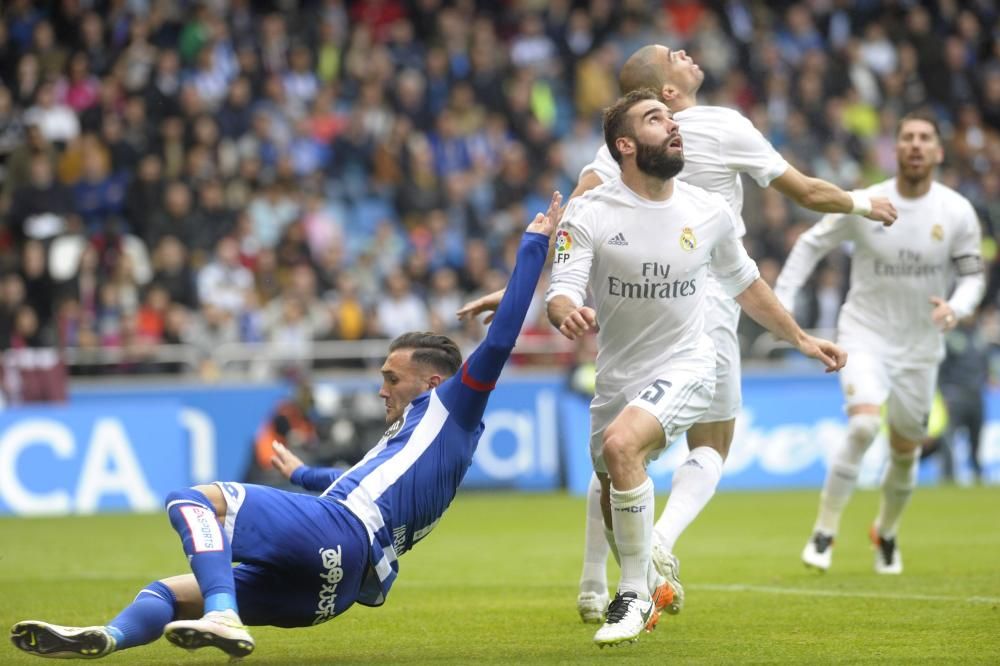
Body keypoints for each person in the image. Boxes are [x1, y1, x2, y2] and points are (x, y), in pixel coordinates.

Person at [8, 193, 563, 660]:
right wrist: (301, 474)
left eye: (392, 378)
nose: (381, 389)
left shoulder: (453, 409)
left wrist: (534, 246)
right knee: (176, 592)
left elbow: (501, 338)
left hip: (338, 533)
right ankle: (108, 636)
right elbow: (355, 484)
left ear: (436, 381)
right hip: (335, 590)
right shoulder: (423, 439)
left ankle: (224, 616)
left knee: (193, 501)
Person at [458, 44, 896, 625]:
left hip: (695, 304)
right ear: (664, 92)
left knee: (621, 449)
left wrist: (523, 284)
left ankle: (610, 582)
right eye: (675, 55)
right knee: (690, 447)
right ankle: (646, 552)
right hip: (685, 313)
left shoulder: (630, 152)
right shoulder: (719, 122)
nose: (687, 54)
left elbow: (574, 211)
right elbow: (808, 193)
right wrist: (866, 202)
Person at [545, 89, 846, 647]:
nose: (673, 126)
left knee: (620, 446)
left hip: (688, 362)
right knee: (612, 482)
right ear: (627, 145)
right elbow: (561, 288)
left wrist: (801, 337)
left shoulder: (707, 212)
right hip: (618, 375)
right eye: (656, 120)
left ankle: (630, 594)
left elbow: (747, 286)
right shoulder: (589, 213)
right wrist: (565, 311)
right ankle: (647, 578)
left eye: (673, 119)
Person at [774, 110, 985, 574]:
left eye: (924, 138)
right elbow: (811, 243)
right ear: (896, 147)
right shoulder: (867, 202)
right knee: (864, 426)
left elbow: (973, 276)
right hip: (864, 334)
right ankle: (824, 531)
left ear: (938, 151)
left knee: (906, 451)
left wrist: (957, 307)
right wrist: (783, 300)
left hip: (921, 345)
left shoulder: (956, 212)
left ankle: (885, 532)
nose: (914, 144)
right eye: (906, 136)